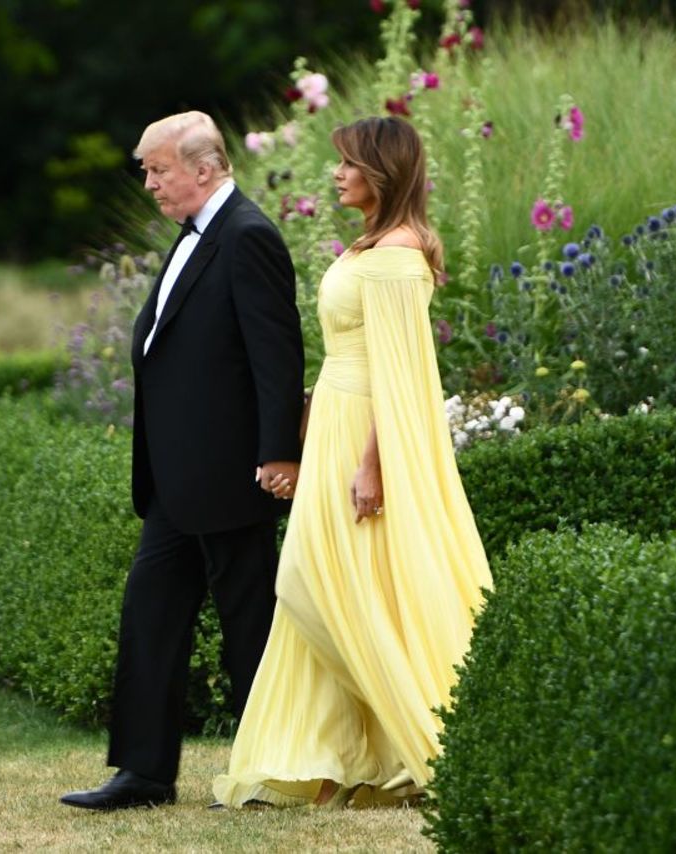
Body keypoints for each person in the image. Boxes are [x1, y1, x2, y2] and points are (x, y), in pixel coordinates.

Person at [212, 116, 493, 809]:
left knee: (335, 585)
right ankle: (332, 760)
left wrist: (373, 466)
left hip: (367, 435)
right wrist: (304, 436)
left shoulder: (399, 255)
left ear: (383, 173)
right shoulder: (372, 246)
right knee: (323, 584)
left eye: (347, 164)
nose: (335, 174)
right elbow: (344, 353)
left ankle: (426, 739)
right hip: (335, 421)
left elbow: (399, 376)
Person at [61, 111, 305, 811]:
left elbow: (276, 356)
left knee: (249, 625)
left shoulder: (249, 235)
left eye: (157, 169)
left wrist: (277, 454)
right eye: (146, 170)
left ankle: (268, 768)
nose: (149, 183)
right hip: (174, 480)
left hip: (233, 474)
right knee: (150, 613)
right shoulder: (194, 236)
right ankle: (143, 774)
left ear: (204, 167)